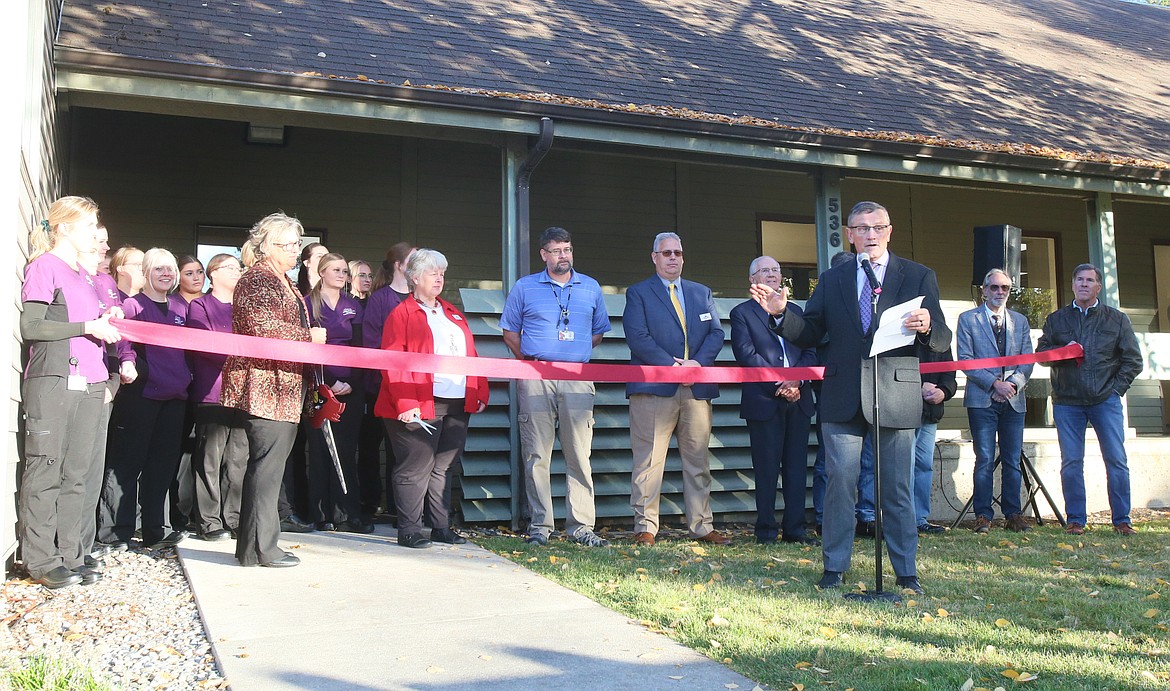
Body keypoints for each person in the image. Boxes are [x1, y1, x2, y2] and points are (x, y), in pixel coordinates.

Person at [751, 201, 951, 595]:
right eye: (861, 228)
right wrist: (780, 313)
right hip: (842, 394)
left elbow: (942, 338)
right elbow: (810, 331)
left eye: (877, 227)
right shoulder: (833, 278)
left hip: (895, 392)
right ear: (850, 234)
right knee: (840, 483)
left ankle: (906, 572)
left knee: (895, 487)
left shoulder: (918, 275)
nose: (870, 235)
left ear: (889, 231)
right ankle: (835, 567)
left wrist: (927, 327)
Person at [19, 196, 122, 589]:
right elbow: (33, 325)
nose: (95, 233)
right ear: (63, 228)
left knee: (77, 474)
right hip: (54, 380)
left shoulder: (86, 274)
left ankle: (72, 554)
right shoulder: (45, 267)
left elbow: (89, 321)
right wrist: (86, 327)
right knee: (46, 469)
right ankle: (42, 560)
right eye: (88, 225)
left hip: (92, 382)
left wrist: (104, 320)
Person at [222, 212, 327, 567]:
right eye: (288, 244)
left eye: (298, 243)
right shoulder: (257, 278)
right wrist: (307, 337)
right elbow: (259, 325)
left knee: (268, 469)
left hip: (284, 388)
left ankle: (254, 549)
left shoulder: (283, 280)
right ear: (266, 246)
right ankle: (262, 548)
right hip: (264, 387)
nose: (295, 250)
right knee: (266, 470)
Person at [500, 227, 612, 547]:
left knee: (579, 453)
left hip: (577, 377)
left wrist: (570, 356)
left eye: (567, 249)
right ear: (543, 255)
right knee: (537, 453)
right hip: (536, 377)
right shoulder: (525, 287)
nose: (563, 256)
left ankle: (580, 526)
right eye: (556, 250)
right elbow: (510, 332)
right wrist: (534, 361)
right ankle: (540, 525)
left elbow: (597, 333)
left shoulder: (590, 287)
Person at [376, 248, 489, 548]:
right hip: (419, 401)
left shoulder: (451, 311)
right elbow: (393, 362)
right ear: (414, 277)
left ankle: (440, 527)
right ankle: (410, 529)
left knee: (443, 467)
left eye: (442, 272)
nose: (439, 278)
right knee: (416, 466)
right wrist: (406, 404)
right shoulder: (401, 314)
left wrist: (479, 390)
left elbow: (471, 354)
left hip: (456, 401)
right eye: (432, 272)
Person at [623, 232, 730, 547]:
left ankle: (701, 525)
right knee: (649, 461)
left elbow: (716, 333)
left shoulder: (701, 293)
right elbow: (638, 337)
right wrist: (672, 367)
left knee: (698, 460)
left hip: (696, 388)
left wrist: (695, 364)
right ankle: (645, 526)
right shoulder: (639, 293)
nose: (673, 258)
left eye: (678, 253)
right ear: (654, 257)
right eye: (666, 253)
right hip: (654, 388)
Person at [1036, 263, 1143, 536]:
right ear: (1072, 285)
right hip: (1066, 401)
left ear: (1098, 287)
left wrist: (1115, 390)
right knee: (1071, 462)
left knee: (1116, 460)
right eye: (1079, 280)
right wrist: (1063, 350)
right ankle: (1075, 520)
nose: (1084, 284)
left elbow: (1133, 361)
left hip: (1104, 400)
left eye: (1090, 280)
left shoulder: (1116, 319)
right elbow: (1041, 354)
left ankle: (1122, 520)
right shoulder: (1056, 320)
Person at [99, 247, 193, 551]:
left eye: (170, 270)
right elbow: (123, 327)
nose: (166, 274)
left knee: (162, 466)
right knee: (127, 463)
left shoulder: (180, 309)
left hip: (175, 397)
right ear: (147, 274)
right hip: (142, 395)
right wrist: (126, 356)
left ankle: (155, 531)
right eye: (158, 269)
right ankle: (115, 534)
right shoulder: (134, 304)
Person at [730, 256, 818, 545]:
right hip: (764, 400)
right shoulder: (742, 313)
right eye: (764, 270)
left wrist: (798, 381)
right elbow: (746, 354)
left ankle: (795, 530)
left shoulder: (796, 311)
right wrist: (778, 384)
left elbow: (809, 350)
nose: (771, 275)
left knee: (795, 468)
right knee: (767, 469)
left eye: (776, 270)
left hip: (799, 400)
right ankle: (766, 531)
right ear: (752, 279)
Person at [956, 269, 1034, 534]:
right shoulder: (968, 319)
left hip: (1013, 399)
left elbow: (1027, 360)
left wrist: (1012, 385)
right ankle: (983, 516)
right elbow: (966, 359)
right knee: (985, 458)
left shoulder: (1020, 321)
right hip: (982, 399)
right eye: (995, 288)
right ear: (984, 290)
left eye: (1005, 288)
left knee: (1012, 459)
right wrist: (994, 384)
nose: (1000, 292)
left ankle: (1013, 514)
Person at [305, 252, 371, 533]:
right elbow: (308, 347)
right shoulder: (307, 304)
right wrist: (329, 382)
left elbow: (360, 346)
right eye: (335, 270)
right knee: (320, 448)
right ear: (322, 272)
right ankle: (320, 514)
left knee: (346, 449)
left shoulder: (353, 305)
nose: (342, 274)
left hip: (350, 386)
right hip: (319, 385)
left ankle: (347, 514)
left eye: (345, 270)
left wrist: (352, 382)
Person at [187, 254, 248, 541]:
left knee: (238, 459)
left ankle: (233, 517)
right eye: (231, 267)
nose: (237, 272)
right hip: (212, 391)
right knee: (210, 459)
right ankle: (209, 521)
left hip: (244, 393)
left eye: (239, 268)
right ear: (213, 273)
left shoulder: (244, 308)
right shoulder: (200, 305)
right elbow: (203, 344)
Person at [359, 242, 414, 522]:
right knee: (371, 446)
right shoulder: (380, 299)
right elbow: (372, 342)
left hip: (411, 386)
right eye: (413, 260)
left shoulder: (420, 298)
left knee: (402, 450)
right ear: (399, 266)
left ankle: (400, 507)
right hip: (379, 385)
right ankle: (369, 503)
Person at [913, 345, 956, 534]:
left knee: (923, 465)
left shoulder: (941, 338)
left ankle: (919, 518)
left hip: (931, 413)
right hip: (904, 410)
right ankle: (901, 517)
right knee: (902, 467)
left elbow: (949, 372)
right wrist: (917, 386)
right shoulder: (902, 334)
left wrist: (944, 392)